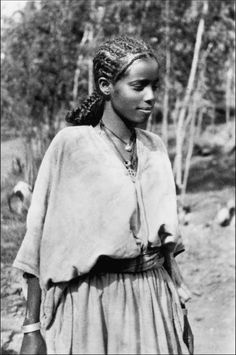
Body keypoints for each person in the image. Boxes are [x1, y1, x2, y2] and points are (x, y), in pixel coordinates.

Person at [13, 35, 192, 355]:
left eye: (155, 86)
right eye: (139, 86)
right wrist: (31, 328)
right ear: (107, 85)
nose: (151, 96)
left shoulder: (155, 148)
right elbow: (37, 241)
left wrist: (181, 317)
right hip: (91, 307)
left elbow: (167, 252)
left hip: (153, 301)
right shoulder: (71, 146)